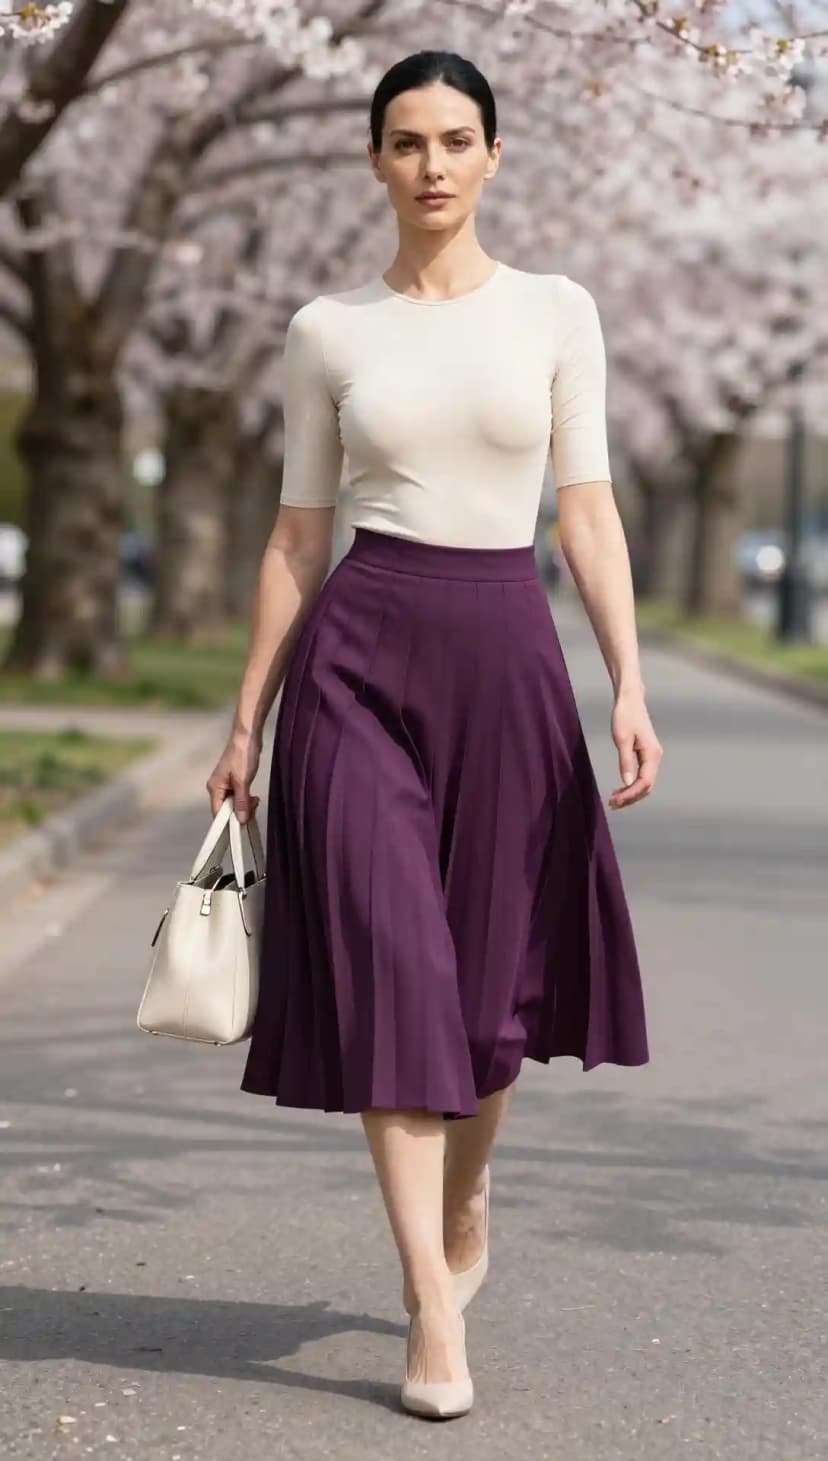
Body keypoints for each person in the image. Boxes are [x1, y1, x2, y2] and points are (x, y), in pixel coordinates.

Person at [206, 49, 663, 1422]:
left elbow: (587, 510)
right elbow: (297, 536)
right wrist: (247, 714)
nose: (433, 165)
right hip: (358, 661)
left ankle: (468, 1202)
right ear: (374, 162)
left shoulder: (556, 312)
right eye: (407, 142)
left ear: (494, 155)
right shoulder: (328, 330)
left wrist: (627, 682)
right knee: (393, 970)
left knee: (483, 1000)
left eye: (458, 140)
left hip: (506, 659)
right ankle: (429, 1302)